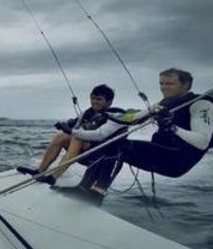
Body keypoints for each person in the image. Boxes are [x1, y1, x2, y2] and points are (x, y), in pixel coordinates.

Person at [60, 68, 213, 204]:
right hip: (161, 152)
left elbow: (202, 141)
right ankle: (83, 188)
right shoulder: (166, 102)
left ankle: (97, 193)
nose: (163, 88)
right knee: (110, 143)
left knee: (120, 147)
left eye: (169, 84)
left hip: (178, 160)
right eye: (161, 83)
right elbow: (135, 117)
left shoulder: (201, 105)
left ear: (185, 85)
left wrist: (171, 127)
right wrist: (108, 116)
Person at [17, 84, 126, 185]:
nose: (94, 102)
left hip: (101, 155)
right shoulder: (88, 113)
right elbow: (76, 126)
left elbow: (100, 135)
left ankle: (53, 177)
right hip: (84, 151)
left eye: (99, 99)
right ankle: (39, 171)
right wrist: (67, 125)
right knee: (60, 136)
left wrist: (72, 131)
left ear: (109, 102)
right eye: (92, 98)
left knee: (77, 138)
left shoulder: (116, 115)